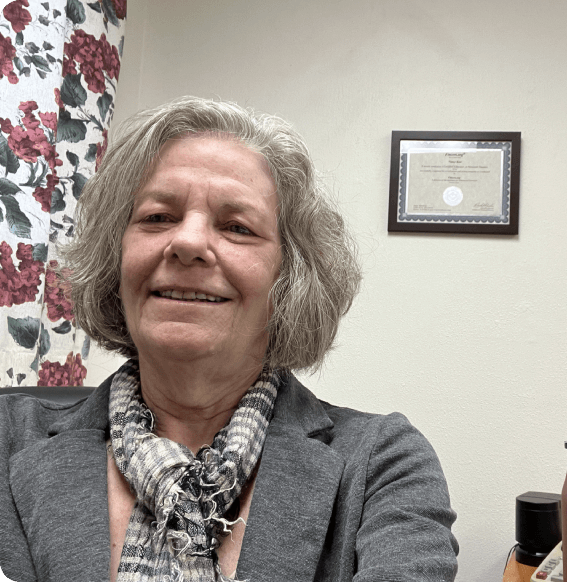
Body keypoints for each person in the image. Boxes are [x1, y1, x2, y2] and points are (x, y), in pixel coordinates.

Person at [0, 97, 458, 582]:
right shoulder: (8, 439)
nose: (189, 242)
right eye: (157, 217)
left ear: (291, 280)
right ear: (116, 259)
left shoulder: (383, 463)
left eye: (237, 227)